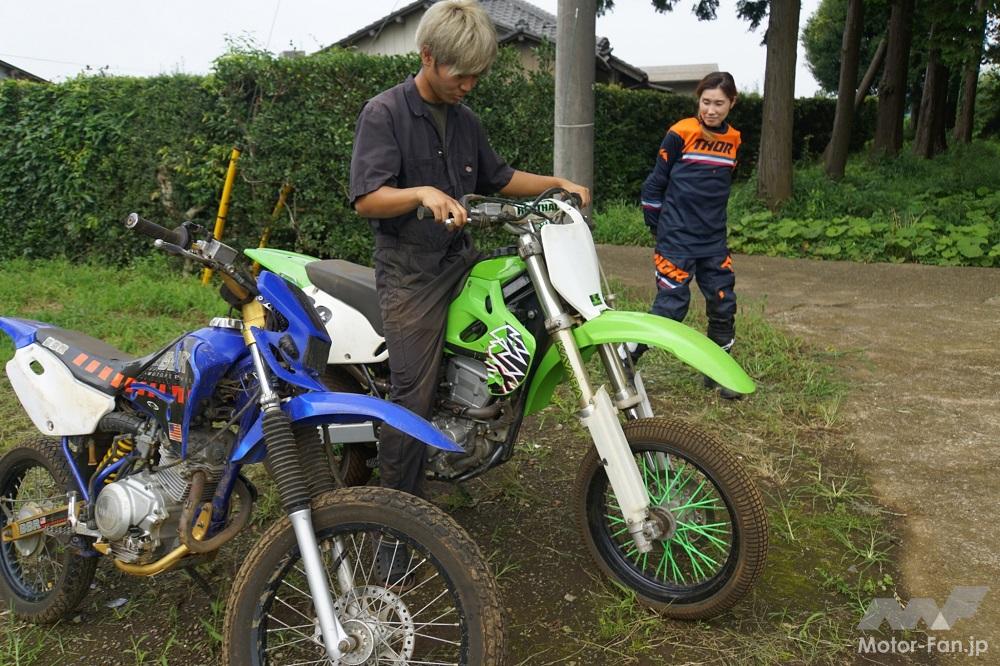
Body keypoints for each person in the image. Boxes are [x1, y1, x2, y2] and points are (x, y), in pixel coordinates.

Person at [350, 1, 588, 509]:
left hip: (462, 259)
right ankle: (395, 518)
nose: (469, 85)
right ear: (428, 56)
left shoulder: (465, 120)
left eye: (477, 75)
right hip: (411, 274)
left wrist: (556, 183)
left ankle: (472, 424)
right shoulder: (384, 113)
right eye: (461, 75)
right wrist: (420, 193)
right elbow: (367, 198)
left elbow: (499, 178)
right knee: (411, 396)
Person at [636, 71, 742, 399]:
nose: (711, 110)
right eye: (705, 102)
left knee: (723, 302)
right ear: (698, 100)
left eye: (719, 103)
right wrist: (658, 228)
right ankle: (625, 358)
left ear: (732, 103)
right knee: (672, 305)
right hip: (676, 238)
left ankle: (719, 371)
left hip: (713, 241)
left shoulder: (734, 140)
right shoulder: (680, 132)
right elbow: (654, 185)